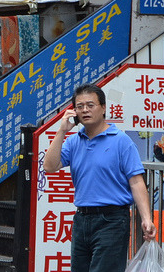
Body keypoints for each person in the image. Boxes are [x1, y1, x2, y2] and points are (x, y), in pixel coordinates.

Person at [43, 83, 155, 272]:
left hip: (112, 220)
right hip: (82, 219)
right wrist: (62, 131)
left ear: (103, 108)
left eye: (90, 105)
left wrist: (146, 218)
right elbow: (49, 166)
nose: (85, 110)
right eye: (79, 106)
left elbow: (136, 182)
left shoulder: (121, 141)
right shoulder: (74, 141)